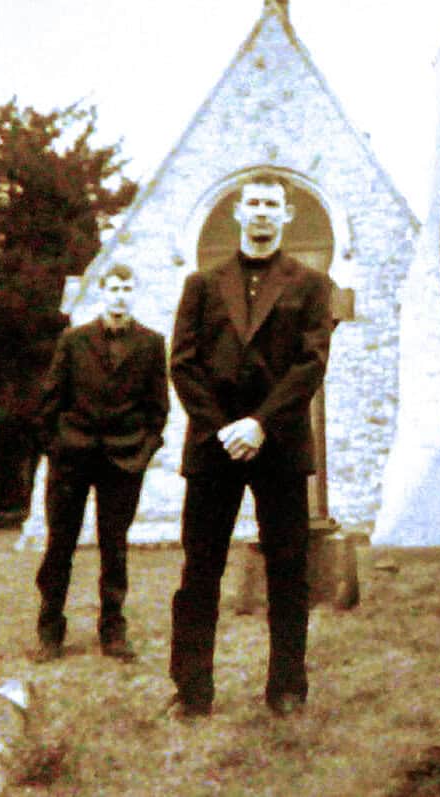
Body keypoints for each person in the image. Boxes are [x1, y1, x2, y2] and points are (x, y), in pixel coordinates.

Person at [167, 171, 334, 718]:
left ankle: (287, 687)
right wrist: (223, 428)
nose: (262, 212)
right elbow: (183, 364)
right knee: (200, 571)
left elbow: (311, 363)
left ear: (286, 216)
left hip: (280, 443)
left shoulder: (311, 285)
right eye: (254, 203)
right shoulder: (202, 283)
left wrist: (260, 423)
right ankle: (192, 691)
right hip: (213, 444)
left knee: (288, 570)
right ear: (239, 212)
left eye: (272, 205)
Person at [31, 263, 169, 663]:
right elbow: (50, 401)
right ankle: (50, 630)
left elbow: (157, 408)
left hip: (123, 460)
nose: (120, 295)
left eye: (127, 287)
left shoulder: (150, 344)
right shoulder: (73, 341)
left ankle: (113, 631)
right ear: (102, 293)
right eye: (113, 287)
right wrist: (57, 447)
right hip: (71, 460)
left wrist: (143, 451)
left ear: (134, 292)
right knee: (60, 546)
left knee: (116, 549)